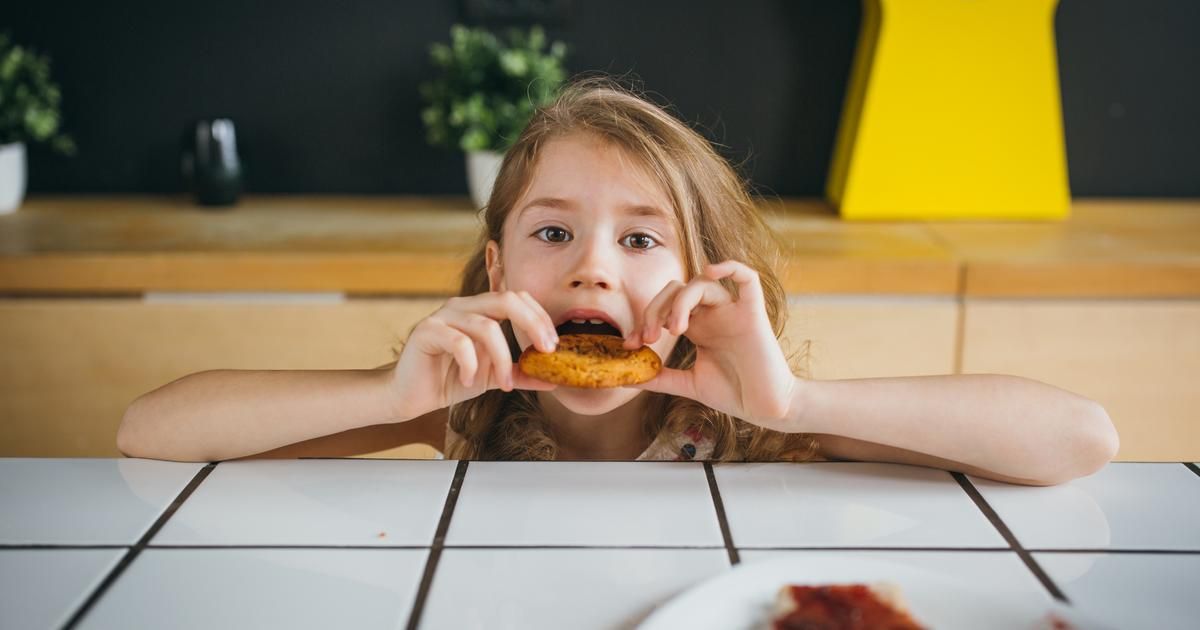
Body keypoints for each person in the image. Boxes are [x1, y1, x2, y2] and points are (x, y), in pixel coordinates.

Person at [117, 77, 1118, 485]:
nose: (593, 264)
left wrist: (797, 400)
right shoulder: (467, 413)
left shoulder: (754, 420)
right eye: (556, 230)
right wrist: (390, 396)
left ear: (705, 283)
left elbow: (1082, 442)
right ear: (500, 269)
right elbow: (149, 433)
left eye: (642, 243)